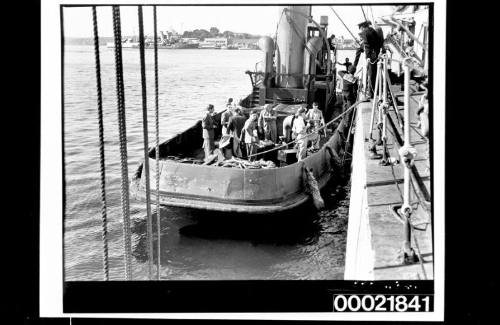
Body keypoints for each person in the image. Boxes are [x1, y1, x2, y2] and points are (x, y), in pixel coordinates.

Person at [352, 21, 383, 98]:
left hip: (372, 56)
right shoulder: (372, 30)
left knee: (371, 74)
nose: (361, 30)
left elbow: (367, 45)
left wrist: (368, 56)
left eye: (360, 28)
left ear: (362, 27)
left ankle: (371, 93)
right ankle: (375, 90)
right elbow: (377, 43)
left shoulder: (365, 32)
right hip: (375, 54)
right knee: (374, 73)